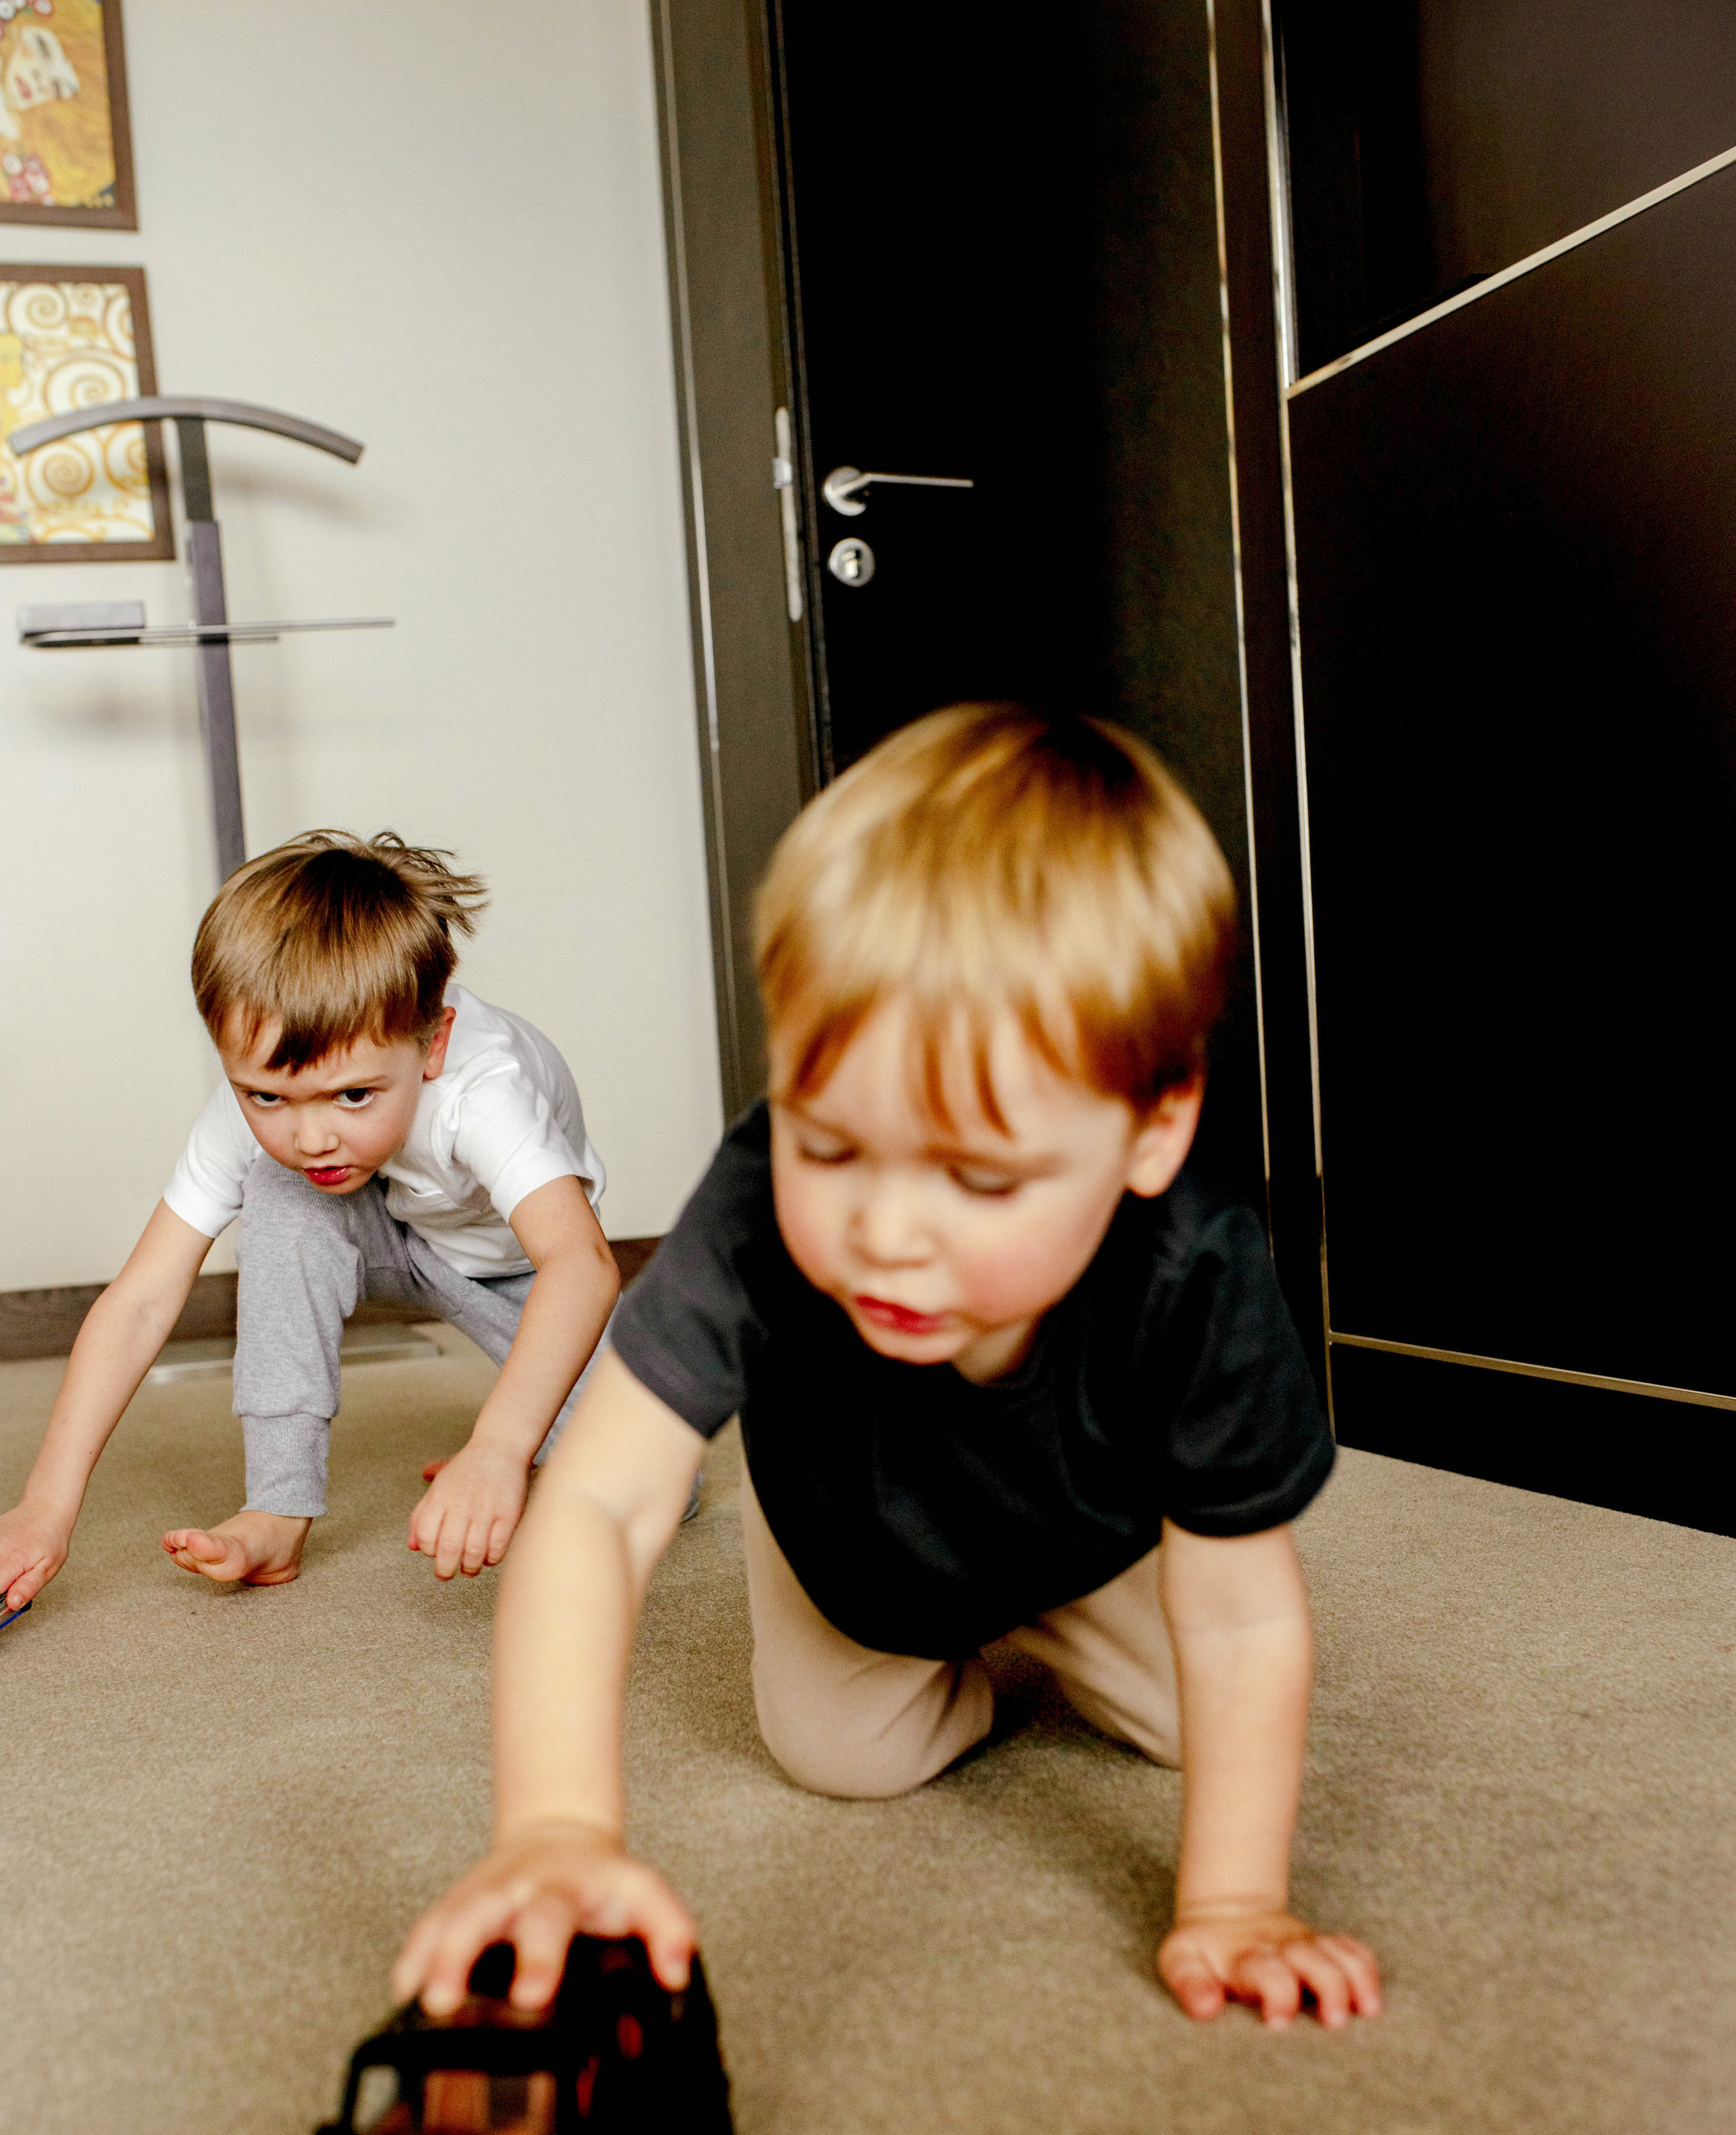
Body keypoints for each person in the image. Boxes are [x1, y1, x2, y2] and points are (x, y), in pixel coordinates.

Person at [393, 710, 1382, 2031]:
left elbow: (1244, 1614)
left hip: (1088, 1539)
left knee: (1210, 1730)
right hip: (854, 1541)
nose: (887, 1233)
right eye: (835, 1148)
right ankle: (958, 1665)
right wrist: (554, 1828)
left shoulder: (1196, 1266)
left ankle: (1048, 1627)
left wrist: (1231, 1906)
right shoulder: (751, 1207)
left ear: (1151, 1129)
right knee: (842, 1762)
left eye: (979, 1177)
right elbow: (598, 1503)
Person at [0, 831, 619, 1606]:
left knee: (644, 1482)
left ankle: (541, 1457)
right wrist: (45, 1510)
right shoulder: (272, 1096)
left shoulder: (482, 1089)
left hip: (515, 1272)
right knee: (283, 1192)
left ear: (433, 1045)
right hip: (382, 1234)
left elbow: (581, 1263)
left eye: (354, 1095)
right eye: (266, 1098)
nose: (311, 1136)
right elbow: (140, 1299)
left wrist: (498, 1448)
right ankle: (278, 1509)